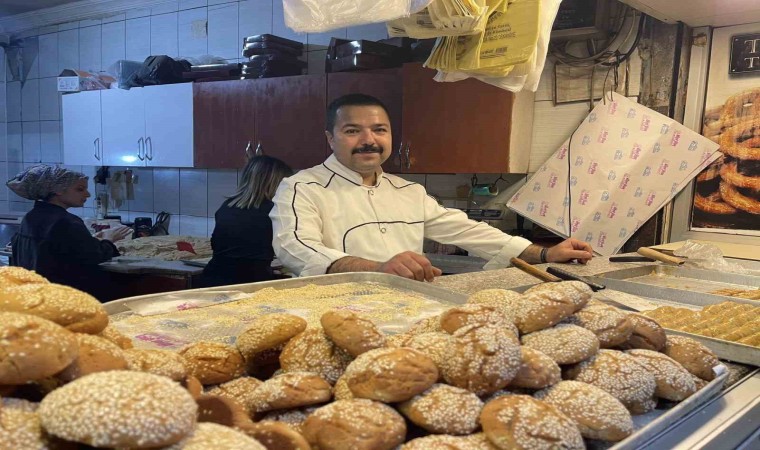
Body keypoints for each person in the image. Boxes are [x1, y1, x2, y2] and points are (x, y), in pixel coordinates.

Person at [270, 94, 594, 281]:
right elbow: (295, 248)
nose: (369, 140)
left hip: (405, 311)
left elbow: (468, 231)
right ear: (330, 138)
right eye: (353, 131)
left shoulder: (408, 192)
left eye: (379, 130)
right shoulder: (302, 187)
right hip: (336, 314)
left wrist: (544, 253)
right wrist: (377, 269)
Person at [6, 165, 132, 298]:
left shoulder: (30, 217)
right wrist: (108, 240)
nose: (88, 194)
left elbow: (60, 252)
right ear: (58, 190)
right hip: (64, 297)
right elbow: (93, 257)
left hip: (36, 296)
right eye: (80, 189)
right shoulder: (66, 221)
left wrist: (93, 241)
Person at [202, 155, 294, 287]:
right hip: (250, 284)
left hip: (213, 279)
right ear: (275, 183)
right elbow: (290, 249)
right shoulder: (274, 211)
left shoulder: (227, 206)